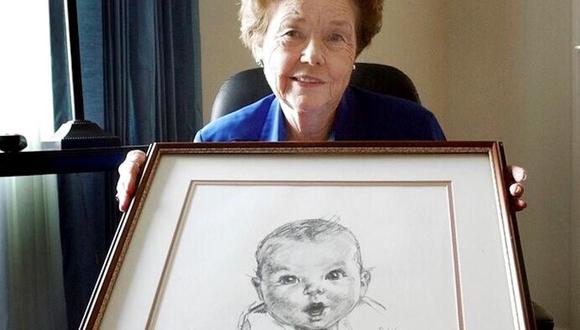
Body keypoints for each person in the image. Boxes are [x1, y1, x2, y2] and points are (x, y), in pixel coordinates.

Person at [116, 0, 527, 212]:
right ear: (260, 45)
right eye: (292, 32)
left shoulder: (413, 130)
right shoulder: (218, 142)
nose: (313, 55)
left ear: (355, 52)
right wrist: (154, 198)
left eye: (335, 37)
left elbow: (445, 235)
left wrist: (487, 200)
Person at [239, 218, 386, 330]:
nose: (314, 289)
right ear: (260, 289)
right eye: (289, 279)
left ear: (362, 284)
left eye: (333, 275)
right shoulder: (260, 324)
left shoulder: (372, 318)